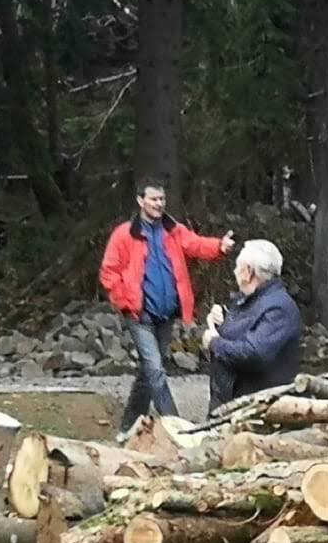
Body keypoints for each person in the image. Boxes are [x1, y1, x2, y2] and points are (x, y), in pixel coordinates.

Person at [99, 182, 233, 437]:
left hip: (166, 314)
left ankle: (127, 428)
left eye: (162, 199)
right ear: (140, 201)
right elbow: (109, 272)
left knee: (148, 372)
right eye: (153, 199)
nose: (159, 204)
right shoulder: (124, 234)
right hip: (139, 314)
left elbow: (195, 244)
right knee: (156, 370)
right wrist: (125, 300)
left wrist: (219, 247)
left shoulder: (173, 230)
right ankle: (178, 429)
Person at [203, 240, 303, 411]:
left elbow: (253, 354)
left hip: (256, 410)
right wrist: (221, 316)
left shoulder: (279, 308)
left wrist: (214, 342)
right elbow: (245, 326)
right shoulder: (253, 299)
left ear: (248, 272)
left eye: (237, 267)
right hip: (232, 403)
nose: (234, 272)